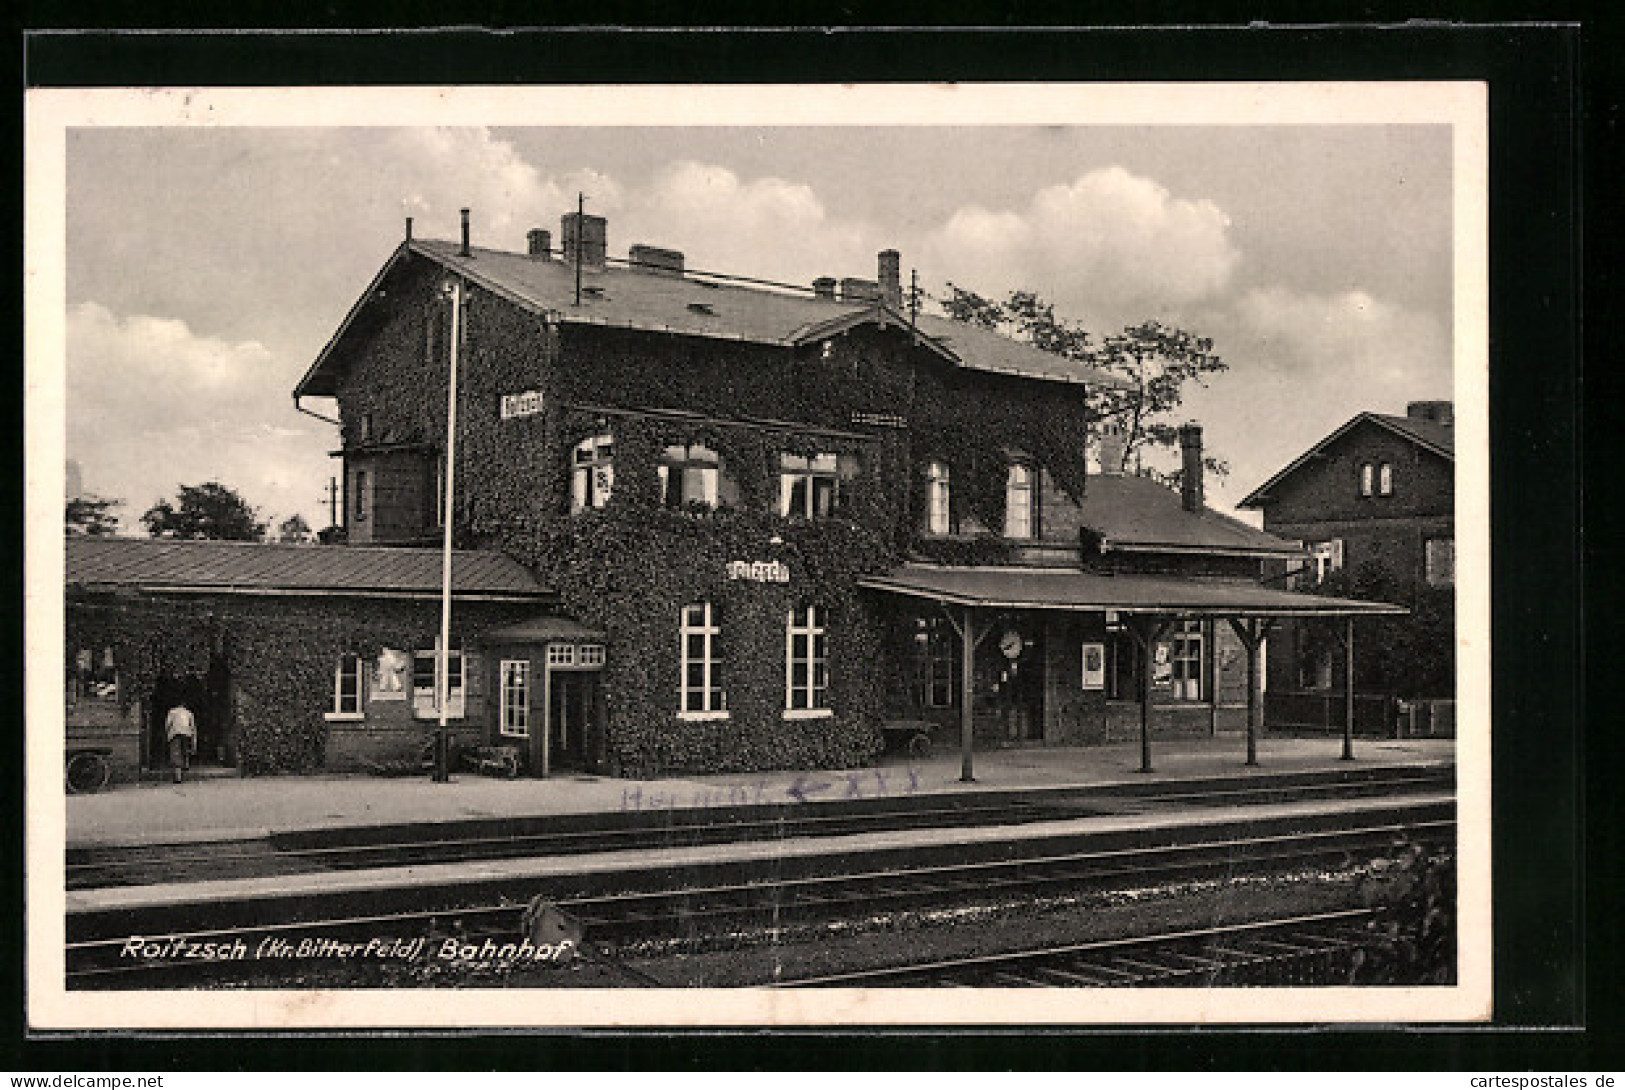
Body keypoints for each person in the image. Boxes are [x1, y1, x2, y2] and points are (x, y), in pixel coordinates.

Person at [164, 701, 196, 784]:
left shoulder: (172, 712)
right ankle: (185, 767)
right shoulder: (189, 713)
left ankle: (178, 777)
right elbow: (192, 727)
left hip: (175, 734)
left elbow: (167, 724)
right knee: (184, 752)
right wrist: (193, 740)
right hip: (186, 734)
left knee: (176, 754)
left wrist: (167, 734)